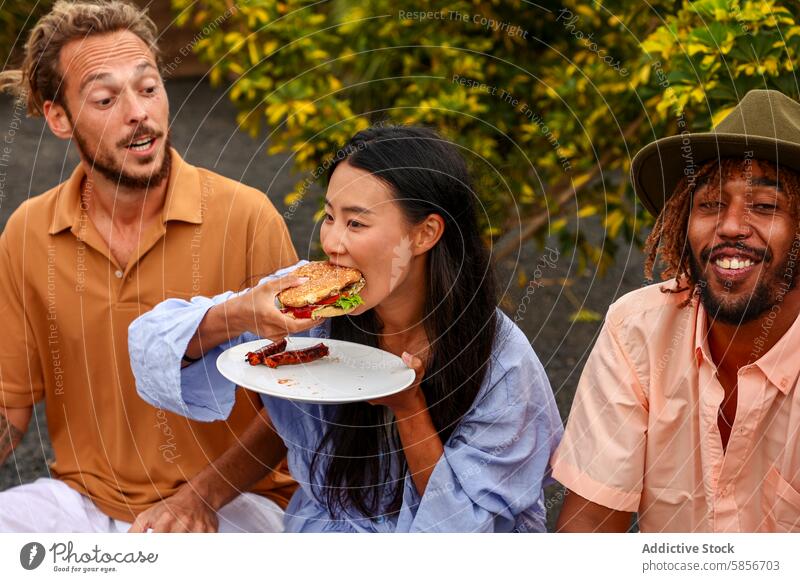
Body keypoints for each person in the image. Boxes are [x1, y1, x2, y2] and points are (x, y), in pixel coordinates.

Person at [129, 125, 564, 532]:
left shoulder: (500, 361)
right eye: (329, 216)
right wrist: (243, 313)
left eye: (356, 223)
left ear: (425, 234)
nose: (332, 243)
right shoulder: (310, 303)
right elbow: (153, 343)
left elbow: (461, 529)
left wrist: (409, 409)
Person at [0, 0, 303, 532]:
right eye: (105, 98)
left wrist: (200, 497)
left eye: (147, 87)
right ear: (58, 117)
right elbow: (10, 405)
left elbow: (296, 403)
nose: (139, 112)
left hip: (235, 502)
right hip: (81, 503)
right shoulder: (28, 231)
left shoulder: (246, 216)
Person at [553, 89, 800, 532]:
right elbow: (589, 528)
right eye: (709, 204)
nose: (729, 226)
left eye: (764, 206)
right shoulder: (638, 331)